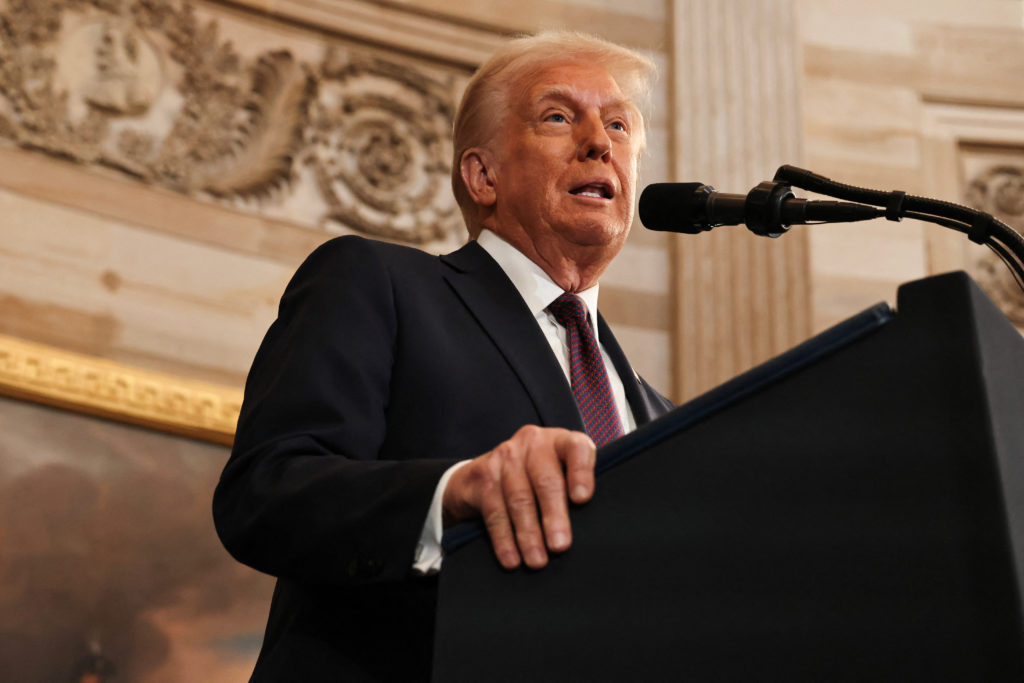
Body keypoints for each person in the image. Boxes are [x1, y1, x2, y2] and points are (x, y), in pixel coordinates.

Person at [213, 31, 673, 681]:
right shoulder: (379, 285)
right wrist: (449, 492)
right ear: (482, 174)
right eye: (559, 116)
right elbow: (265, 492)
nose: (600, 140)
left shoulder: (665, 416)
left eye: (619, 125)